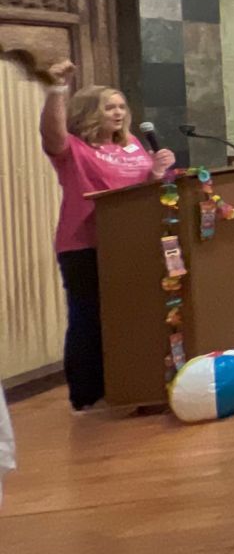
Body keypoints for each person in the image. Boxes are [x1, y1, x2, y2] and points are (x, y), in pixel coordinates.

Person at [38, 60, 175, 410]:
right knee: (88, 318)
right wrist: (56, 90)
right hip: (85, 246)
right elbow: (51, 135)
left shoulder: (133, 147)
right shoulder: (74, 150)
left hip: (132, 246)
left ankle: (133, 383)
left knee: (131, 315)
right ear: (89, 113)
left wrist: (156, 173)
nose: (118, 113)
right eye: (109, 107)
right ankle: (87, 396)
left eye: (121, 106)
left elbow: (140, 195)